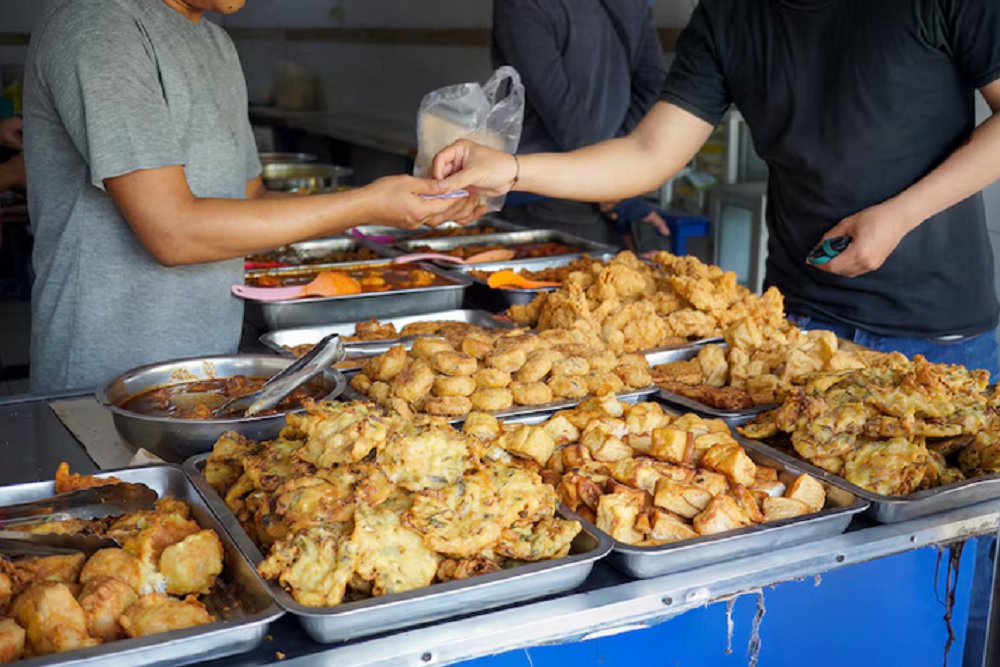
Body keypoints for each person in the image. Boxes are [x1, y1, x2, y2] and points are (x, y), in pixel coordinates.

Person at [435, 0, 1000, 376]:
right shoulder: (729, 15)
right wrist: (510, 169)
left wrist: (901, 214)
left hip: (939, 335)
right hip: (791, 327)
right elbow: (648, 152)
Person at [23, 0, 480, 393]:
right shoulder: (98, 27)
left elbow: (252, 200)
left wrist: (394, 206)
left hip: (210, 372)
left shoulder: (216, 43)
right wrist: (367, 204)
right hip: (102, 383)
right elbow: (173, 232)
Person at [491, 0, 670, 247]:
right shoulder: (634, 5)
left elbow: (562, 113)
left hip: (542, 198)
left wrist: (611, 180)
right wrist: (617, 163)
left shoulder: (523, 5)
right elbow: (653, 88)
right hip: (606, 194)